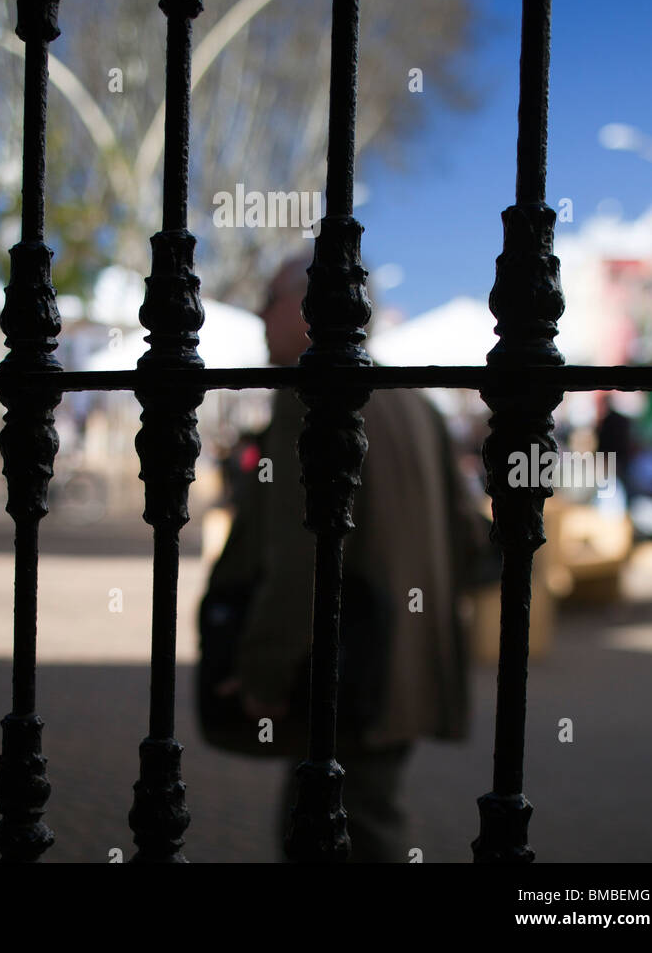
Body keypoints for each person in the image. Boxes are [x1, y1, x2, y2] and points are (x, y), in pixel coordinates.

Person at [199, 255, 489, 862]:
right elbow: (472, 547)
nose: (258, 313)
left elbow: (303, 555)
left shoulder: (314, 397)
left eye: (269, 297)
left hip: (348, 673)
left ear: (313, 307)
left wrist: (263, 669)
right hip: (402, 668)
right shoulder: (414, 404)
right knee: (364, 819)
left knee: (337, 834)